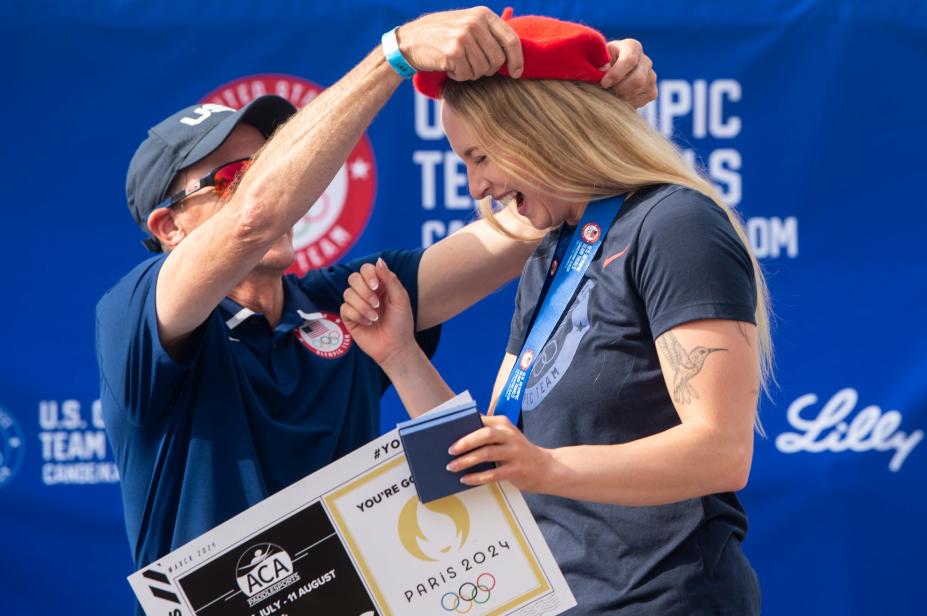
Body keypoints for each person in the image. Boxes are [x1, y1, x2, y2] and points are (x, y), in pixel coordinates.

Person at [94, 5, 657, 593]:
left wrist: (591, 110)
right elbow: (253, 220)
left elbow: (522, 225)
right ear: (169, 228)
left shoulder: (343, 299)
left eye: (272, 166)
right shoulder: (135, 315)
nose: (277, 187)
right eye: (236, 176)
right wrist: (395, 54)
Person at [339, 11, 770, 616]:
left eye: (482, 156)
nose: (476, 187)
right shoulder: (553, 252)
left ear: (542, 128)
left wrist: (544, 466)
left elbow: (722, 453)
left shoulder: (674, 225)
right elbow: (493, 460)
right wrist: (399, 353)